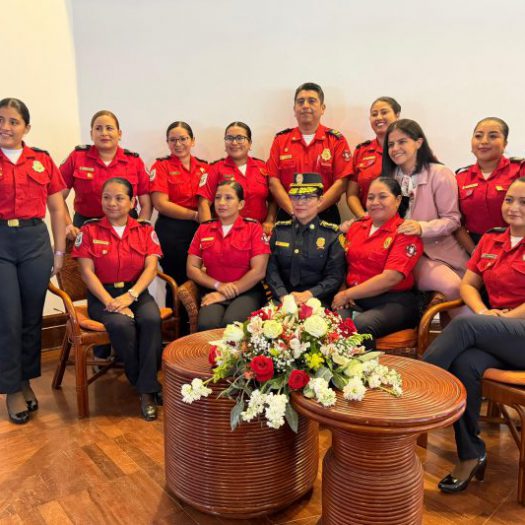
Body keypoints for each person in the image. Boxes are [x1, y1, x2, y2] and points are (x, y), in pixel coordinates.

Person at [423, 177, 525, 493]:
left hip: (520, 332)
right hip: (497, 331)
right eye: (509, 199)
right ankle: (471, 454)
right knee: (465, 364)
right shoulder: (491, 240)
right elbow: (468, 284)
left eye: (524, 202)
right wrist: (483, 312)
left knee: (465, 326)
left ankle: (416, 389)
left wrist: (501, 318)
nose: (514, 207)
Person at [72, 177, 163, 421]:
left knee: (151, 319)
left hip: (136, 293)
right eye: (107, 197)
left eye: (119, 198)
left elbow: (151, 268)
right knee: (122, 325)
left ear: (132, 202)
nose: (112, 203)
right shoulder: (89, 230)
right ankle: (147, 388)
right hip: (103, 296)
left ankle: (145, 386)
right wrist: (110, 302)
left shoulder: (145, 230)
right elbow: (86, 273)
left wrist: (130, 296)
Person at [0, 98, 66, 424]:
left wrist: (59, 251)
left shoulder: (41, 159)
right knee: (8, 318)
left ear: (26, 127)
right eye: (0, 120)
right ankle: (11, 388)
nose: (5, 127)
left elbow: (56, 208)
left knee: (30, 318)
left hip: (34, 242)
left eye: (13, 121)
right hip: (1, 243)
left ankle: (26, 379)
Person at [382, 119, 469, 311]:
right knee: (451, 287)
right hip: (404, 251)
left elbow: (452, 220)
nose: (395, 149)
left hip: (440, 249)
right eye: (390, 144)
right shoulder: (389, 178)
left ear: (419, 142)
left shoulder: (440, 173)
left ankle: (465, 330)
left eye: (402, 142)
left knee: (457, 288)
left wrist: (421, 227)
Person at [332, 178, 423, 348]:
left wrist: (347, 294)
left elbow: (391, 278)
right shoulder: (356, 227)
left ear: (397, 200)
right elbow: (345, 265)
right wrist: (343, 289)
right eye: (371, 197)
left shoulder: (405, 231)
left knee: (360, 327)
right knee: (334, 324)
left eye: (382, 197)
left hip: (394, 301)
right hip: (356, 298)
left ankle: (371, 365)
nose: (375, 202)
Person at [187, 180, 270, 331]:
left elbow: (259, 271)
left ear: (241, 204)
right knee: (207, 325)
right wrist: (219, 286)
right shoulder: (204, 229)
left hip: (247, 292)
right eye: (218, 198)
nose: (222, 202)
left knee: (233, 324)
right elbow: (192, 268)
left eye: (229, 198)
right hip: (214, 290)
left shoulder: (253, 228)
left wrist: (227, 292)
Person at [267, 82, 352, 224]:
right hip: (289, 213)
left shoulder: (336, 140)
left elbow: (342, 183)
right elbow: (273, 182)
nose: (305, 106)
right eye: (300, 102)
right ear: (294, 109)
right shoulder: (280, 140)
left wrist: (314, 208)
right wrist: (294, 210)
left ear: (322, 108)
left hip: (325, 214)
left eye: (312, 101)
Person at [61, 110, 152, 238]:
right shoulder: (77, 157)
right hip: (86, 226)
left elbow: (146, 203)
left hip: (125, 227)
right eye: (98, 128)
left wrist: (139, 228)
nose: (104, 133)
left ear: (119, 134)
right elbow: (57, 197)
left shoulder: (134, 161)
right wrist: (68, 225)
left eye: (109, 128)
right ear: (91, 134)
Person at [266, 173, 346, 307]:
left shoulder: (331, 235)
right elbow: (270, 270)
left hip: (317, 300)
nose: (300, 202)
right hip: (281, 299)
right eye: (295, 197)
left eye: (307, 197)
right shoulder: (279, 231)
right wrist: (283, 296)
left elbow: (334, 276)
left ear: (320, 201)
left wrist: (309, 294)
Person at [150, 121, 207, 306]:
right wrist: (194, 215)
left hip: (199, 228)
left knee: (201, 276)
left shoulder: (204, 167)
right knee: (177, 279)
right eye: (173, 140)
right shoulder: (161, 166)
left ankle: (199, 321)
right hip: (172, 230)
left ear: (193, 141)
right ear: (167, 142)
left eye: (183, 139)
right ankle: (178, 323)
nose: (178, 144)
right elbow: (160, 203)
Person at [455, 117, 523, 254]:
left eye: (493, 136)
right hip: (474, 246)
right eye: (478, 136)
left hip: (517, 245)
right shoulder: (460, 178)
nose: (484, 141)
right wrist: (476, 253)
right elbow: (456, 223)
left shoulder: (520, 170)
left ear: (505, 143)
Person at [198, 121, 275, 234]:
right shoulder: (215, 169)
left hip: (258, 234)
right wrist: (209, 233)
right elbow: (203, 203)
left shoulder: (263, 168)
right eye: (229, 138)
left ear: (250, 143)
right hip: (226, 234)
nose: (234, 142)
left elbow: (273, 200)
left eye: (240, 138)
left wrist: (269, 221)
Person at [346, 97, 401, 219]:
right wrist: (364, 217)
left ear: (397, 116)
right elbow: (352, 194)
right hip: (370, 220)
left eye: (384, 112)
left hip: (404, 221)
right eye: (374, 114)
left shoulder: (407, 149)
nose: (379, 117)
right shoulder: (362, 151)